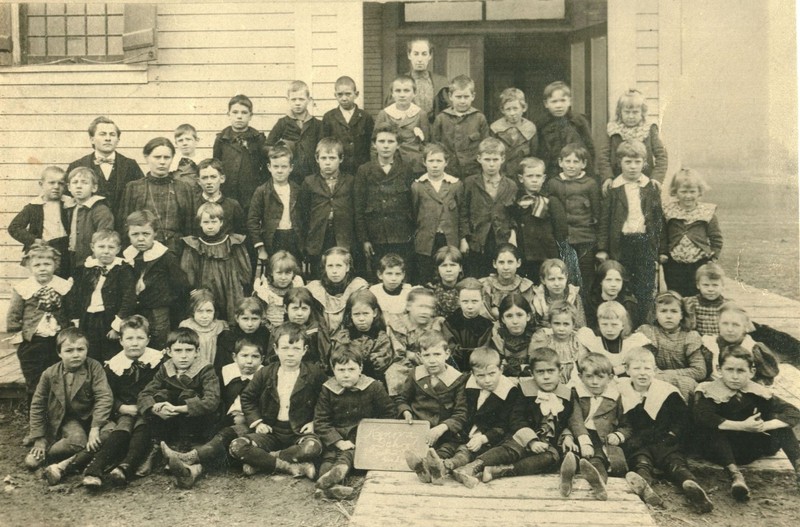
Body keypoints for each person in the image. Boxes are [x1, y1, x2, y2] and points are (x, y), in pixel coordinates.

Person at [453, 348, 584, 486]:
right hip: (522, 435)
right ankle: (472, 467)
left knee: (550, 458)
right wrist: (531, 441)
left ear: (560, 370)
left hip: (548, 443)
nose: (546, 377)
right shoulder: (524, 390)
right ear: (532, 373)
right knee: (511, 448)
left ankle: (499, 471)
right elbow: (516, 419)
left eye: (551, 371)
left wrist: (567, 437)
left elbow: (568, 421)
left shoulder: (568, 395)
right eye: (540, 372)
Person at [692, 345, 800, 500]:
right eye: (729, 370)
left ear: (752, 372)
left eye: (741, 371)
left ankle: (798, 468)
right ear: (719, 369)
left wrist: (764, 426)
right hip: (722, 450)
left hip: (751, 446)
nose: (735, 376)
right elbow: (702, 416)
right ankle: (736, 477)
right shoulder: (709, 390)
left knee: (782, 424)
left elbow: (793, 412)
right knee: (710, 430)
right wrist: (742, 426)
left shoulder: (757, 391)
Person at [69, 316, 163, 487]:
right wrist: (122, 407)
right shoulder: (113, 365)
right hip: (126, 410)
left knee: (142, 427)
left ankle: (124, 467)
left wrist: (148, 405)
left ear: (148, 339)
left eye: (140, 338)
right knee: (122, 429)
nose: (135, 343)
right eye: (129, 338)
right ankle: (95, 469)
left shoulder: (158, 360)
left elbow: (163, 387)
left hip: (149, 409)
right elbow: (106, 394)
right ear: (120, 340)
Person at [162, 339, 267, 488]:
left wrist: (250, 418)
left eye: (255, 357)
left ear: (262, 359)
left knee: (226, 436)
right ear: (234, 356)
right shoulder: (226, 372)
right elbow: (217, 398)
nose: (249, 361)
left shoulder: (266, 375)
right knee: (219, 439)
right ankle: (190, 471)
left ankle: (187, 458)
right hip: (227, 419)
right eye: (244, 356)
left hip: (254, 424)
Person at [619, 347, 713, 513]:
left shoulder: (665, 391)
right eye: (636, 369)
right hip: (639, 442)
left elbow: (682, 418)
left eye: (647, 369)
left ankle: (690, 485)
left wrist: (672, 434)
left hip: (664, 439)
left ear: (655, 370)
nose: (642, 373)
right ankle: (646, 487)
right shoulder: (622, 390)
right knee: (641, 461)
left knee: (675, 462)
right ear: (627, 370)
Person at [225, 323, 324, 480]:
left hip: (299, 432)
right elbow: (247, 398)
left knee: (312, 448)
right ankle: (290, 467)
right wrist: (257, 423)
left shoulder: (314, 374)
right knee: (237, 446)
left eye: (296, 349)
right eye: (285, 348)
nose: (290, 354)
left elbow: (324, 402)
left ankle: (262, 460)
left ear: (304, 350)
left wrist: (314, 422)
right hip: (271, 431)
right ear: (276, 349)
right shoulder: (265, 372)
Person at [420, 347, 520, 486]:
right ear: (473, 374)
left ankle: (445, 467)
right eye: (481, 376)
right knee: (448, 446)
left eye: (492, 374)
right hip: (464, 432)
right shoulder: (468, 384)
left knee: (464, 452)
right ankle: (427, 466)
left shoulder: (509, 391)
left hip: (487, 438)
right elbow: (462, 410)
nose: (487, 380)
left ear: (501, 370)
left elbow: (503, 426)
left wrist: (483, 438)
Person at [24, 328, 113, 471]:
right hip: (66, 419)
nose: (76, 355)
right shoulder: (49, 374)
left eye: (80, 349)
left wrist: (95, 428)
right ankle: (48, 450)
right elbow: (37, 405)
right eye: (69, 351)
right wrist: (39, 438)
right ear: (59, 353)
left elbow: (104, 397)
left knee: (112, 433)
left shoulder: (94, 367)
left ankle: (71, 461)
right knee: (77, 442)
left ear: (87, 350)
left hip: (92, 417)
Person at [314, 347, 396, 500]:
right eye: (341, 370)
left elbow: (389, 413)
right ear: (333, 369)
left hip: (363, 437)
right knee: (329, 456)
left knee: (349, 454)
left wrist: (372, 435)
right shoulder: (328, 389)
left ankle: (336, 475)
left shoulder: (374, 387)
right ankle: (328, 484)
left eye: (351, 369)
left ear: (361, 368)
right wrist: (337, 441)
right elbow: (321, 421)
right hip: (337, 437)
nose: (346, 374)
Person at [597, 140, 663, 325]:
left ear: (644, 163)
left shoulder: (650, 188)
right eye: (628, 162)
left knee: (645, 287)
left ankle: (642, 325)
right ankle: (621, 324)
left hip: (644, 243)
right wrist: (602, 248)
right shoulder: (614, 188)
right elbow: (605, 220)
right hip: (621, 243)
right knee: (622, 284)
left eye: (637, 162)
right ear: (619, 163)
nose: (633, 167)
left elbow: (658, 220)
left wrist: (661, 249)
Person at [7, 243, 73, 411]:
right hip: (33, 343)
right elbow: (14, 316)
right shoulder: (24, 288)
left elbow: (71, 311)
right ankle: (36, 424)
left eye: (47, 264)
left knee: (58, 378)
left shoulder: (62, 286)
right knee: (35, 382)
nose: (42, 269)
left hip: (57, 341)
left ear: (55, 265)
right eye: (37, 265)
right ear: (29, 267)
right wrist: (19, 340)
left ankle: (57, 418)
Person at [399, 330, 468, 483]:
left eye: (437, 354)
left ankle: (432, 466)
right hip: (420, 430)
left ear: (447, 354)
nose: (432, 361)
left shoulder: (458, 379)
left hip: (445, 432)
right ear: (419, 357)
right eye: (427, 355)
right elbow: (403, 399)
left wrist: (442, 427)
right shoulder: (415, 374)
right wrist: (406, 411)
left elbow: (461, 413)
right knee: (417, 448)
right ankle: (425, 467)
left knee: (446, 448)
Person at [137, 327, 221, 452]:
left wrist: (179, 409)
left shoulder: (206, 369)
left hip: (197, 423)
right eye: (178, 350)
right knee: (161, 395)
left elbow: (212, 401)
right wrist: (155, 409)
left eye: (189, 350)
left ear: (197, 352)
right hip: (170, 419)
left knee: (188, 395)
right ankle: (156, 447)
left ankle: (185, 447)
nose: (183, 356)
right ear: (169, 352)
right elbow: (145, 394)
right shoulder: (166, 368)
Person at [559, 353, 628, 500]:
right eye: (589, 377)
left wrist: (618, 435)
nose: (594, 382)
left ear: (609, 378)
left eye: (600, 377)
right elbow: (574, 419)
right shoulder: (575, 393)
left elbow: (627, 424)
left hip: (600, 437)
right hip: (578, 434)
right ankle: (566, 479)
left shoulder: (616, 397)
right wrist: (577, 439)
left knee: (598, 459)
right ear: (580, 376)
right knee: (571, 453)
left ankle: (599, 483)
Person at [122, 210, 190, 350]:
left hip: (158, 311)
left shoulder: (166, 257)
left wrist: (166, 299)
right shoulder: (127, 255)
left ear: (155, 234)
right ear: (128, 234)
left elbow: (180, 284)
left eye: (146, 234)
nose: (141, 239)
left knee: (159, 343)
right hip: (135, 310)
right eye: (135, 234)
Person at [119, 137, 197, 255]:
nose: (162, 162)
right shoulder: (133, 188)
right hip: (142, 253)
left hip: (177, 253)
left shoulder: (183, 188)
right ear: (146, 157)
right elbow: (125, 226)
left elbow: (190, 228)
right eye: (157, 157)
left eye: (167, 157)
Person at [68, 229, 136, 362]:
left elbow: (129, 299)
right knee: (90, 352)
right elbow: (75, 296)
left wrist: (117, 326)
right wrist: (76, 320)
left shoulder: (123, 270)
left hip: (109, 319)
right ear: (92, 247)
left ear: (118, 249)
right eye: (101, 246)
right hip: (88, 319)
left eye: (111, 247)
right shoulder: (85, 269)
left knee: (111, 354)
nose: (106, 251)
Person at [355, 122, 415, 272]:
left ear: (398, 145)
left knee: (400, 274)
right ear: (374, 145)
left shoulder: (406, 170)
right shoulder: (364, 170)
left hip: (401, 236)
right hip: (376, 236)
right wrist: (364, 239)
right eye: (381, 141)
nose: (386, 146)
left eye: (391, 141)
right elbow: (359, 208)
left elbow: (413, 205)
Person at [543, 143, 601, 295]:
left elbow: (597, 213)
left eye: (576, 162)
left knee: (586, 277)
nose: (571, 166)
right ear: (560, 162)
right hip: (563, 239)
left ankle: (584, 311)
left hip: (585, 239)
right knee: (565, 276)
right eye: (567, 161)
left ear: (584, 164)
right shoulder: (553, 183)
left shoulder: (590, 184)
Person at [180, 202, 252, 324]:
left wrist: (242, 284)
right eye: (206, 222)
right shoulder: (195, 244)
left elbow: (244, 267)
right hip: (205, 285)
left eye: (214, 222)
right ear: (200, 223)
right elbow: (188, 267)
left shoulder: (232, 242)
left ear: (221, 222)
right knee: (207, 311)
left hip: (230, 285)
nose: (210, 226)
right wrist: (191, 286)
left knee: (231, 314)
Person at [660, 168, 723, 297]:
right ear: (675, 192)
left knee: (697, 294)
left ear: (699, 192)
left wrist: (713, 255)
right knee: (676, 294)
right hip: (674, 263)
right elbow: (662, 235)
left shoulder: (706, 212)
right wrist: (663, 252)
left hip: (699, 261)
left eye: (692, 191)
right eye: (683, 191)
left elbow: (716, 237)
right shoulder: (669, 211)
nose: (688, 196)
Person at [411, 144, 468, 284]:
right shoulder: (418, 186)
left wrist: (463, 239)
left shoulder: (455, 185)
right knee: (427, 275)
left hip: (449, 238)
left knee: (450, 272)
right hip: (426, 240)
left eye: (439, 161)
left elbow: (462, 214)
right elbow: (414, 213)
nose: (435, 165)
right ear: (424, 162)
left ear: (446, 162)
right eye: (431, 161)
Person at [66, 116, 144, 217]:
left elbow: (141, 197)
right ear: (92, 139)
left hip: (123, 226)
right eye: (102, 134)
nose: (108, 138)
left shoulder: (130, 165)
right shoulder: (78, 165)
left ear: (118, 140)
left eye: (112, 135)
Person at [299, 138, 356, 277]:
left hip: (343, 236)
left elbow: (355, 211)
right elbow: (303, 213)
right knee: (319, 274)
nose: (328, 162)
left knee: (343, 273)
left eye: (332, 158)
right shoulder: (309, 182)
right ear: (317, 159)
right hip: (318, 237)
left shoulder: (350, 181)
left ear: (341, 159)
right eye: (323, 158)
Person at [635, 291, 708, 399]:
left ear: (681, 314)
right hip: (654, 378)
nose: (668, 316)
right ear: (656, 314)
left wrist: (669, 375)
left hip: (682, 382)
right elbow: (643, 362)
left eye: (674, 311)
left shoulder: (689, 336)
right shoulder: (649, 333)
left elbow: (699, 371)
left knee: (686, 384)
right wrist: (660, 376)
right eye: (663, 311)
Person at [463, 138, 517, 277]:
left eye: (495, 159)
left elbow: (514, 214)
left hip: (501, 238)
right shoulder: (470, 183)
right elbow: (463, 213)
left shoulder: (511, 185)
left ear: (502, 159)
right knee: (477, 276)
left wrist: (513, 234)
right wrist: (463, 239)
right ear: (479, 159)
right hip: (477, 239)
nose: (491, 164)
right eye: (487, 159)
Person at [598, 89, 668, 189]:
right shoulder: (613, 130)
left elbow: (662, 155)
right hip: (617, 181)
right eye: (627, 112)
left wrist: (656, 177)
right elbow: (603, 156)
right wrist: (607, 177)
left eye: (635, 112)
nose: (631, 116)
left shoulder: (649, 129)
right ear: (620, 112)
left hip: (645, 181)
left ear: (642, 113)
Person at [8, 166, 71, 277]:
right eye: (51, 183)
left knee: (64, 280)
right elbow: (14, 227)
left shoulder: (69, 204)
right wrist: (33, 240)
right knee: (43, 278)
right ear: (41, 184)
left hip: (65, 249)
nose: (56, 187)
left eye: (61, 183)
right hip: (43, 249)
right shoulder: (33, 206)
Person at [248, 145, 304, 265]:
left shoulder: (298, 190)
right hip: (273, 239)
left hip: (294, 238)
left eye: (284, 167)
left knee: (295, 271)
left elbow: (305, 217)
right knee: (275, 272)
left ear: (291, 168)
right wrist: (260, 247)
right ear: (269, 167)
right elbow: (252, 220)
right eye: (276, 166)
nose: (279, 170)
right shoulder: (262, 191)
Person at [514, 157, 567, 284]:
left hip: (546, 255)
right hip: (524, 255)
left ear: (543, 178)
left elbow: (561, 231)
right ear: (521, 178)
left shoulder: (551, 201)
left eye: (538, 176)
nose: (534, 180)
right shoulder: (517, 201)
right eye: (530, 176)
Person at [700, 303, 779, 386]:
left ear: (745, 326)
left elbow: (767, 377)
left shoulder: (752, 347)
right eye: (725, 323)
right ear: (718, 324)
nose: (730, 329)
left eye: (736, 325)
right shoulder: (709, 345)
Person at [330, 289, 395, 388]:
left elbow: (381, 365)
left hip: (372, 382)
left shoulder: (380, 337)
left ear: (374, 313)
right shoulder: (344, 337)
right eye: (356, 314)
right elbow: (337, 359)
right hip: (345, 380)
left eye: (365, 313)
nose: (361, 319)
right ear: (350, 315)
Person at [385, 287, 445, 394]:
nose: (425, 312)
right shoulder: (399, 325)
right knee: (394, 371)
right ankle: (399, 403)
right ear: (408, 306)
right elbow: (398, 353)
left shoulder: (436, 325)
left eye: (429, 308)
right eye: (421, 306)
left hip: (430, 363)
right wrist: (411, 356)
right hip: (405, 365)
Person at [213, 94, 268, 208]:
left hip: (251, 194)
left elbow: (266, 166)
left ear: (250, 116)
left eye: (244, 113)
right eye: (235, 112)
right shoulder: (222, 139)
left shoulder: (258, 138)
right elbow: (216, 166)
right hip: (227, 193)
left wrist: (259, 188)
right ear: (228, 114)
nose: (239, 116)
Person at [431, 75, 490, 179]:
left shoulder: (479, 118)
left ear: (473, 96)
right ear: (450, 96)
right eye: (458, 97)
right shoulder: (441, 118)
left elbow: (485, 147)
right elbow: (435, 145)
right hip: (448, 171)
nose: (462, 101)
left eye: (466, 97)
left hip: (473, 171)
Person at [266, 81, 323, 186]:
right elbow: (268, 146)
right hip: (289, 175)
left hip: (312, 173)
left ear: (309, 100)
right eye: (293, 99)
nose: (297, 103)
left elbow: (322, 149)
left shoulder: (317, 124)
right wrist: (282, 149)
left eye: (301, 99)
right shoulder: (282, 123)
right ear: (287, 100)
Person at [536, 81, 595, 180]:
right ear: (546, 104)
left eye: (563, 100)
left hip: (576, 173)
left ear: (570, 101)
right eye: (554, 101)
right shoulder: (542, 124)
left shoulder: (579, 122)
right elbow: (539, 152)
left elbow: (589, 148)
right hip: (551, 174)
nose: (559, 105)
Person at [306, 247, 368, 335]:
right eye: (330, 266)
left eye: (339, 266)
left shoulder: (357, 287)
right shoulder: (315, 289)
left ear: (347, 267)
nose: (334, 271)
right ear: (325, 268)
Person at [375, 75, 429, 175]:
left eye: (406, 91)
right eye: (398, 91)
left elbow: (426, 143)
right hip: (390, 164)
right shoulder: (384, 114)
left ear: (414, 93)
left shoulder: (421, 114)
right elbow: (374, 144)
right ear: (392, 93)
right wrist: (377, 166)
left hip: (415, 165)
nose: (402, 95)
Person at [577, 301, 648, 377]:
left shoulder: (632, 341)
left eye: (614, 325)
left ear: (623, 325)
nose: (609, 329)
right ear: (599, 324)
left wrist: (619, 370)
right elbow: (582, 365)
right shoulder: (593, 341)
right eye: (604, 324)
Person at [387, 38, 449, 124]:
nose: (420, 59)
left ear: (430, 56)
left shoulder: (442, 83)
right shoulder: (398, 84)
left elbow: (448, 113)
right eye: (416, 54)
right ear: (409, 55)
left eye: (424, 54)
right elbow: (390, 111)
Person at [64, 166, 115, 271]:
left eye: (84, 183)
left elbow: (104, 236)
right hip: (72, 256)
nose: (79, 186)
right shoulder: (69, 207)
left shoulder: (100, 210)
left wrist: (94, 258)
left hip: (91, 259)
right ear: (69, 187)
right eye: (75, 182)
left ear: (94, 188)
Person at [322, 75, 375, 176]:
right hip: (338, 170)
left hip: (361, 170)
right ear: (335, 95)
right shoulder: (329, 117)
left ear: (356, 94)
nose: (344, 98)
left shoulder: (365, 117)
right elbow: (324, 145)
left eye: (348, 94)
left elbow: (371, 145)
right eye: (340, 94)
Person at [529, 301, 589, 385]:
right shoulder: (546, 340)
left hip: (573, 380)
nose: (561, 329)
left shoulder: (576, 341)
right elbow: (537, 361)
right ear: (550, 323)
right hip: (549, 378)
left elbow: (583, 365)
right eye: (557, 324)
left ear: (573, 325)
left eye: (566, 324)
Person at [442, 278, 493, 372]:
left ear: (482, 300)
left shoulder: (487, 325)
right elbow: (450, 350)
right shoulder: (450, 323)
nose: (470, 306)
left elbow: (483, 351)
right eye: (465, 301)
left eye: (475, 301)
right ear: (458, 301)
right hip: (454, 370)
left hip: (479, 369)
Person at [491, 88, 538, 178]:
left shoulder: (530, 128)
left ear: (524, 108)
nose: (512, 113)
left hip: (523, 177)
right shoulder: (495, 129)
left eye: (515, 108)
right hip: (501, 176)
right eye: (508, 109)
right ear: (502, 110)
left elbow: (534, 155)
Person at [488, 292, 537, 378]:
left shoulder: (536, 336)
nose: (515, 321)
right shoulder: (498, 336)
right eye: (509, 316)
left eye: (519, 315)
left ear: (528, 316)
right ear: (503, 319)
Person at [480, 243, 535, 321]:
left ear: (518, 263)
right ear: (494, 264)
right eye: (501, 262)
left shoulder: (525, 287)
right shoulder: (485, 285)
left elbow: (530, 314)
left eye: (510, 262)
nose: (506, 267)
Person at [179, 289, 229, 373]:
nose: (204, 316)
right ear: (192, 311)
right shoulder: (187, 326)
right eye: (200, 311)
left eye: (209, 311)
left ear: (215, 311)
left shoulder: (220, 326)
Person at [252, 250, 305, 331]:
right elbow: (259, 315)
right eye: (279, 273)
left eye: (287, 273)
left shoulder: (297, 286)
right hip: (269, 331)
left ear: (293, 273)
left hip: (293, 330)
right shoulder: (264, 290)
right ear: (271, 272)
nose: (283, 278)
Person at [195, 158, 246, 236]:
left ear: (222, 179)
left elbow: (241, 233)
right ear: (199, 181)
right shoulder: (193, 204)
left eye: (213, 177)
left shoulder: (232, 205)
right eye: (204, 178)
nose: (209, 182)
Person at [531, 258, 586, 328]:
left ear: (566, 277)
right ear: (543, 280)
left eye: (560, 278)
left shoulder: (573, 297)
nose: (557, 284)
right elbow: (536, 326)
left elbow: (581, 325)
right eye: (552, 279)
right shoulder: (539, 299)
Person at [585, 260, 639, 330]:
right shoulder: (591, 302)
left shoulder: (629, 304)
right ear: (600, 281)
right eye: (609, 280)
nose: (613, 284)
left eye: (618, 280)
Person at [217, 297, 272, 365]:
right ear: (237, 318)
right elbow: (223, 364)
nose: (250, 324)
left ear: (261, 318)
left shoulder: (264, 334)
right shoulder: (228, 336)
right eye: (245, 319)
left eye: (254, 319)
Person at [369, 253, 413, 332]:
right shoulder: (374, 291)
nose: (393, 278)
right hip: (382, 330)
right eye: (389, 274)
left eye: (398, 274)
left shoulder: (408, 291)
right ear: (380, 275)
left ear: (403, 275)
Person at [683, 262, 727, 336]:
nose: (710, 289)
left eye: (715, 285)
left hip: (720, 341)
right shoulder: (692, 302)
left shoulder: (726, 305)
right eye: (706, 285)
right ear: (698, 285)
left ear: (722, 285)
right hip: (699, 341)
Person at [425, 246, 465, 318]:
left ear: (460, 268)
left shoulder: (466, 291)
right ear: (437, 269)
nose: (448, 270)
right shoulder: (430, 291)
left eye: (453, 265)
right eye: (444, 265)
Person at [170, 123, 202, 190]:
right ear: (176, 143)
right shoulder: (172, 165)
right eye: (180, 140)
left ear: (196, 141)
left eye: (188, 139)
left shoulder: (201, 162)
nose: (184, 143)